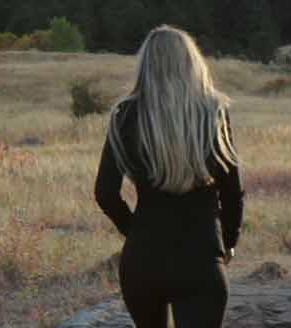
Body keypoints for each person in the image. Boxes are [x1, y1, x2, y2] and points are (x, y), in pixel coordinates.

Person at [96, 26, 245, 328]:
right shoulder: (213, 111)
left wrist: (135, 231)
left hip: (144, 260)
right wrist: (228, 241)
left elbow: (105, 193)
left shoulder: (124, 115)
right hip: (201, 257)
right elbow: (232, 192)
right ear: (192, 62)